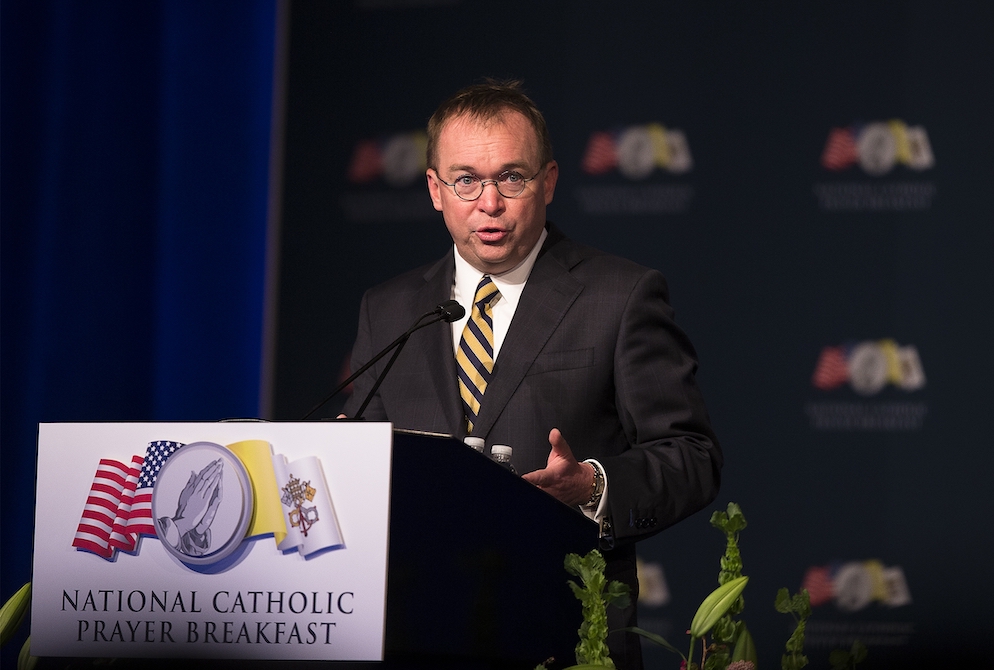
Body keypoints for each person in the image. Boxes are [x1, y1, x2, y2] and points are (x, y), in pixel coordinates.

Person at [341, 80, 722, 669]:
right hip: (415, 630)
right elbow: (364, 456)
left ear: (547, 181)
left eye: (511, 178)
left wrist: (594, 487)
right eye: (466, 179)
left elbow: (693, 456)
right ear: (435, 190)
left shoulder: (619, 296)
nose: (488, 202)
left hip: (567, 632)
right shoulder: (388, 309)